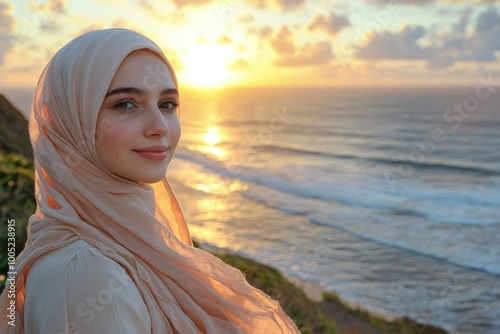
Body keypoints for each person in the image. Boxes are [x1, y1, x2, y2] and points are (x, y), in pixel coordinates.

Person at [0, 28, 298, 333]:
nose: (159, 127)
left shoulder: (119, 237)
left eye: (167, 104)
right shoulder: (88, 276)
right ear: (70, 122)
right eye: (125, 104)